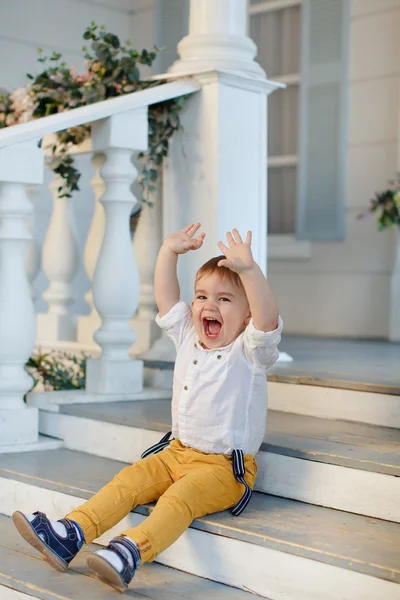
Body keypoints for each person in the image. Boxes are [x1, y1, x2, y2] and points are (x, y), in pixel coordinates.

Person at [12, 224, 282, 594]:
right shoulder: (189, 334)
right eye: (202, 296)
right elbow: (167, 298)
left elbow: (267, 321)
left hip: (224, 467)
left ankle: (129, 552)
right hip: (175, 453)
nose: (208, 306)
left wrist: (250, 272)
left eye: (224, 299)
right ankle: (71, 532)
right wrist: (168, 253)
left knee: (178, 499)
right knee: (129, 480)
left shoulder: (250, 351)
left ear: (247, 316)